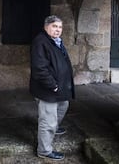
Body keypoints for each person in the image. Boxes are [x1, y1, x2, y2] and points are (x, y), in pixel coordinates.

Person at [30, 15, 75, 161]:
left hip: (59, 87)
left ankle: (54, 127)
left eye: (60, 27)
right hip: (48, 89)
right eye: (54, 26)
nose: (58, 30)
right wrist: (53, 85)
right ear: (46, 26)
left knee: (63, 105)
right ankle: (44, 150)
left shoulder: (55, 41)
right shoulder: (40, 42)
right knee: (47, 120)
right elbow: (39, 68)